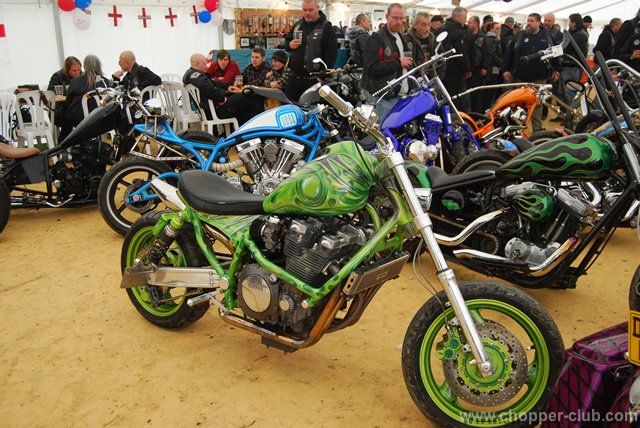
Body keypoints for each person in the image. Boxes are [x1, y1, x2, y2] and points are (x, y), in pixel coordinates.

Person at [362, 3, 415, 120]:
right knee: (382, 130)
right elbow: (371, 68)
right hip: (383, 98)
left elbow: (407, 63)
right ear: (387, 17)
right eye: (395, 18)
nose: (399, 22)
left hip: (400, 96)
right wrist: (398, 63)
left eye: (401, 18)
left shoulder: (401, 37)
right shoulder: (376, 38)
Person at [502, 13, 552, 132]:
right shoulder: (520, 35)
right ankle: (517, 130)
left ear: (538, 22)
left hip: (540, 77)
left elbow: (554, 53)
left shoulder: (547, 36)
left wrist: (557, 70)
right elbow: (509, 53)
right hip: (521, 76)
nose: (528, 23)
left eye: (532, 21)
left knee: (537, 105)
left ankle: (536, 131)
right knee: (518, 103)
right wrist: (506, 69)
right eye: (528, 20)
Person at [283, 0, 338, 102]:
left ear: (317, 8)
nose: (307, 13)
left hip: (313, 81)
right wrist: (289, 44)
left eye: (310, 10)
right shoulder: (298, 25)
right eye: (304, 10)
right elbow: (286, 43)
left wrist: (322, 77)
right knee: (288, 108)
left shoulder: (326, 27)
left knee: (311, 110)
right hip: (294, 79)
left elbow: (331, 55)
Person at [183, 54, 256, 126]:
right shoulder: (194, 75)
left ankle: (235, 129)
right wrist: (222, 98)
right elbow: (208, 88)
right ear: (196, 64)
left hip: (210, 110)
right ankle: (248, 127)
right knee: (244, 96)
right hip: (213, 112)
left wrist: (228, 86)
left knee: (241, 101)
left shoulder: (190, 74)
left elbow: (213, 83)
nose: (206, 66)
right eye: (204, 64)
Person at [58, 55, 110, 141]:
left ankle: (62, 142)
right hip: (101, 117)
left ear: (85, 66)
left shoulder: (76, 81)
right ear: (99, 66)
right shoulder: (105, 82)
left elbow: (68, 102)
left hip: (80, 119)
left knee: (66, 116)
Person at [440, 7, 472, 109]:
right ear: (458, 17)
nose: (465, 21)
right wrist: (467, 68)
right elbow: (461, 52)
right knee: (456, 99)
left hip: (443, 69)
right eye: (464, 18)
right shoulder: (458, 32)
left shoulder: (442, 29)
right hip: (455, 72)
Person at [558, 13, 589, 109]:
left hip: (571, 66)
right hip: (569, 66)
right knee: (562, 92)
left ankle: (571, 114)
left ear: (574, 23)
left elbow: (567, 48)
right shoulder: (577, 33)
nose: (568, 24)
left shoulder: (579, 35)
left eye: (570, 22)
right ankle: (564, 113)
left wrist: (559, 47)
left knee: (569, 92)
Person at [480, 21, 502, 110]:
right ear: (491, 29)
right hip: (490, 69)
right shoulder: (491, 39)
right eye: (497, 28)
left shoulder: (495, 39)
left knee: (490, 92)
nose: (499, 30)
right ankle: (486, 109)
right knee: (489, 92)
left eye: (500, 28)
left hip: (493, 68)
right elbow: (490, 55)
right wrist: (501, 62)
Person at [467, 15, 484, 112]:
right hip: (470, 68)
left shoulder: (482, 37)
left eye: (470, 22)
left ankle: (476, 113)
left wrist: (484, 67)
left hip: (478, 69)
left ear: (476, 24)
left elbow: (485, 53)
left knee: (476, 94)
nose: (468, 24)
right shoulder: (468, 35)